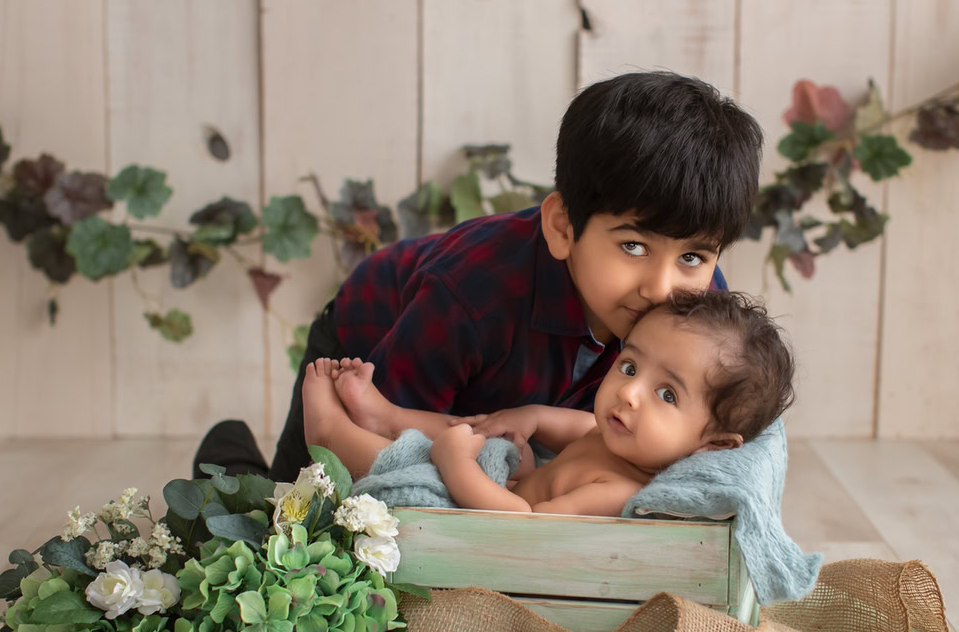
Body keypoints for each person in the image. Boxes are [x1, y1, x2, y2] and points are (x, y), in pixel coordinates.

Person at [193, 71, 764, 481]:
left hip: (507, 403)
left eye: (692, 256)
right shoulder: (469, 295)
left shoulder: (695, 314)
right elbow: (385, 442)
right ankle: (224, 454)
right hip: (372, 349)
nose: (663, 288)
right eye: (634, 245)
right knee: (294, 510)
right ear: (564, 226)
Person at [300, 290, 794, 516]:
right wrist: (528, 417)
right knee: (484, 427)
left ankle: (332, 436)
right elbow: (568, 425)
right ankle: (385, 415)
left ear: (712, 446)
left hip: (476, 504)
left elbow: (520, 523)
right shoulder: (620, 438)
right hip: (504, 472)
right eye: (629, 366)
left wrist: (455, 466)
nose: (628, 392)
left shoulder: (617, 489)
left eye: (667, 394)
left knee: (425, 472)